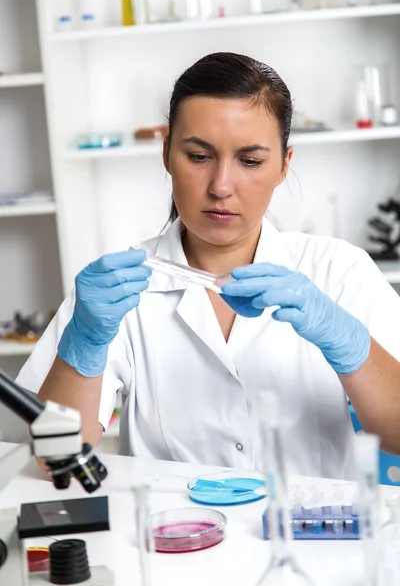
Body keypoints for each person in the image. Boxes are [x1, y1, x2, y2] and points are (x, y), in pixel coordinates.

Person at [17, 52, 400, 480]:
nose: (221, 186)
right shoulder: (114, 289)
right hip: (172, 540)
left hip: (312, 538)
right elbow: (56, 464)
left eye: (250, 161)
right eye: (199, 156)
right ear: (166, 154)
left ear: (283, 165)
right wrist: (84, 342)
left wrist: (345, 340)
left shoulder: (338, 271)